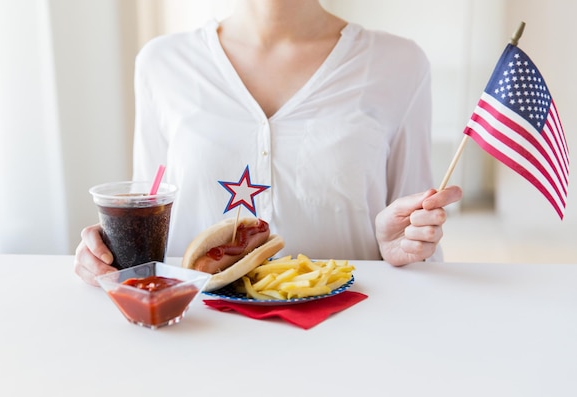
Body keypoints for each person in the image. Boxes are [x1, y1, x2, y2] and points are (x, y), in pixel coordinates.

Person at [74, 0, 463, 286]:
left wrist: (404, 249)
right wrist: (112, 255)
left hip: (348, 331)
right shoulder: (162, 63)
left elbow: (418, 232)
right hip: (200, 333)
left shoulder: (399, 63)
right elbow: (150, 210)